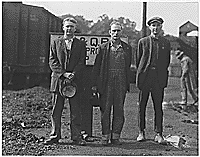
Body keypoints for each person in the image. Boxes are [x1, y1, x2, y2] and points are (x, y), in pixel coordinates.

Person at [44, 17, 87, 145]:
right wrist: (64, 73)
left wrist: (73, 74)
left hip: (74, 81)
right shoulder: (55, 43)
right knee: (56, 110)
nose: (69, 29)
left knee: (75, 111)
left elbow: (81, 62)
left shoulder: (80, 44)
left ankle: (76, 137)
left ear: (75, 29)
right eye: (67, 26)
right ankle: (55, 135)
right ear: (63, 28)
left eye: (71, 27)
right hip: (58, 81)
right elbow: (52, 61)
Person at [92, 21, 132, 145]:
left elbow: (128, 66)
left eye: (118, 31)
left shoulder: (127, 48)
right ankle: (105, 136)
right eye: (113, 31)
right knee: (105, 109)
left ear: (121, 32)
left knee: (119, 109)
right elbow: (97, 67)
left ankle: (115, 136)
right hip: (106, 81)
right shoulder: (103, 48)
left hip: (120, 81)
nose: (115, 33)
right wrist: (95, 84)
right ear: (110, 32)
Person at [136, 17, 171, 144]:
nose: (155, 28)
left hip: (158, 78)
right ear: (150, 27)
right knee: (142, 106)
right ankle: (141, 132)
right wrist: (141, 75)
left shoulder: (165, 43)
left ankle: (158, 133)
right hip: (145, 77)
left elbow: (167, 61)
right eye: (153, 26)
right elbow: (138, 60)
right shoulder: (143, 42)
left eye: (158, 26)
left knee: (158, 106)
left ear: (161, 27)